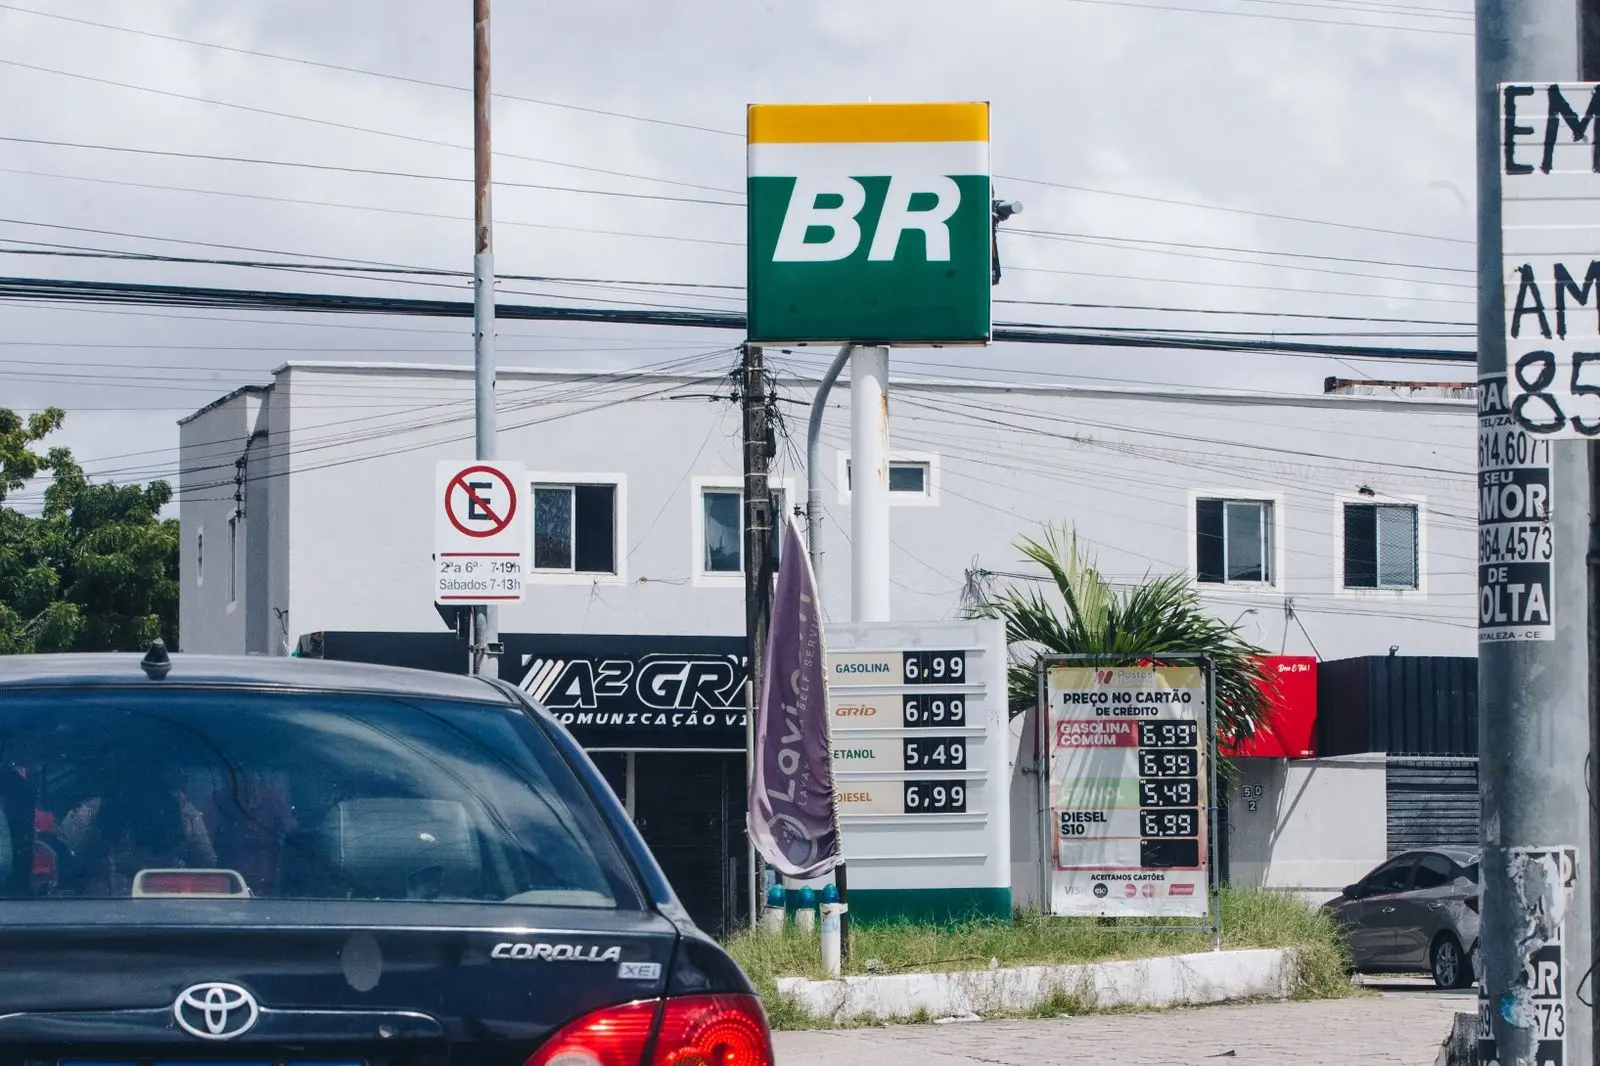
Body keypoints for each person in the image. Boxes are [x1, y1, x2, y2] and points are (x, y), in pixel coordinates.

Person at [57, 766, 217, 897]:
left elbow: (73, 853)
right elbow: (207, 862)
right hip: (109, 910)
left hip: (165, 908)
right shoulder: (186, 813)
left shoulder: (91, 811)